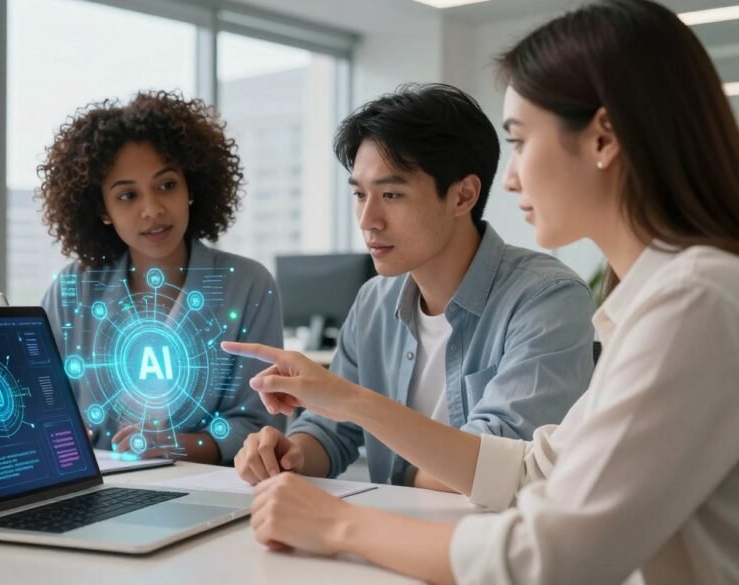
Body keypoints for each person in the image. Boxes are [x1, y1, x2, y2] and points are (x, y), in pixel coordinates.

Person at [222, 1, 739, 582]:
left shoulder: (695, 300)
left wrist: (339, 525)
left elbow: (552, 558)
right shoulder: (659, 300)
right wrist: (337, 404)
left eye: (520, 140)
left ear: (603, 138)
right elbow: (530, 470)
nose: (511, 176)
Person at [232, 83, 595, 488]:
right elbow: (331, 431)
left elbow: (502, 466)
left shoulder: (547, 298)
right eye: (359, 195)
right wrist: (291, 453)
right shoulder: (374, 300)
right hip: (392, 531)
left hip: (488, 541)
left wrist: (353, 404)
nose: (368, 219)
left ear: (463, 196)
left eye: (391, 194)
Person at [38, 90, 283, 465]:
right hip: (99, 488)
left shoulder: (248, 285)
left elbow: (262, 424)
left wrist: (178, 445)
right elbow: (43, 407)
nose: (152, 210)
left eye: (166, 185)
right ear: (102, 209)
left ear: (190, 189)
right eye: (127, 196)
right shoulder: (72, 290)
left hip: (208, 489)